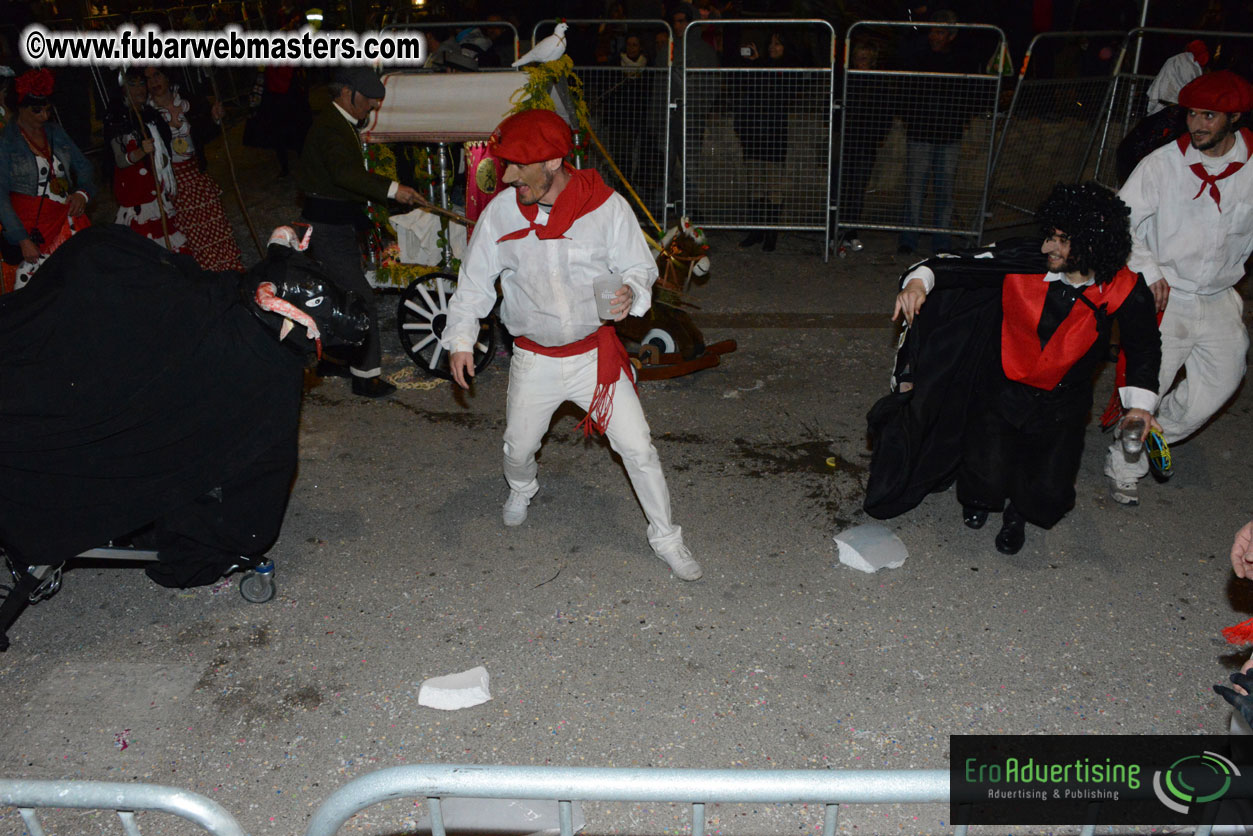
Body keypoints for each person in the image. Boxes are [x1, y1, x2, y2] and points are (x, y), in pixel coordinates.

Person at [442, 108, 701, 582]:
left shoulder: (606, 208)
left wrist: (632, 293)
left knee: (639, 449)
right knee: (518, 449)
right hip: (534, 360)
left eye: (520, 164)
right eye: (507, 163)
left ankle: (667, 537)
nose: (509, 174)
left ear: (556, 160)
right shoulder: (502, 211)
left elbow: (639, 268)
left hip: (593, 357)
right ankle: (522, 487)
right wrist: (461, 339)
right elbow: (474, 283)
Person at [868, 182, 1161, 554]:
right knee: (986, 463)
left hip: (1064, 398)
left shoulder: (1125, 288)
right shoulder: (1024, 259)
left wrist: (1140, 405)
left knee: (1049, 485)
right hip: (1003, 383)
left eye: (1061, 240)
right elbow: (952, 264)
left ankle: (1017, 515)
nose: (1046, 247)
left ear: (1092, 244)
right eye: (1048, 236)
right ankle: (977, 500)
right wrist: (916, 284)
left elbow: (1144, 347)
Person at [1104, 70, 1253, 507]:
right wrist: (1148, 269)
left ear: (1235, 118)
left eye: (1209, 116)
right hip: (1167, 294)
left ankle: (1150, 428)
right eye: (1191, 114)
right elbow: (1120, 222)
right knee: (1150, 382)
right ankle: (1125, 463)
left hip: (1221, 295)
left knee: (1223, 382)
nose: (1196, 124)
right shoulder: (1161, 164)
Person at [297, 67, 421, 398]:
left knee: (335, 294)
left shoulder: (338, 123)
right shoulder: (332, 128)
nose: (372, 107)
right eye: (368, 100)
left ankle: (335, 356)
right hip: (327, 226)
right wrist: (395, 190)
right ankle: (366, 376)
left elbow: (342, 181)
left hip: (332, 221)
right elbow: (345, 175)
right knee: (359, 297)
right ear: (347, 93)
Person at [0, 68, 94, 294]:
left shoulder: (55, 132)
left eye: (47, 110)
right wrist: (21, 239)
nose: (43, 116)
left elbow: (84, 166)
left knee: (83, 283)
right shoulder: (6, 143)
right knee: (42, 294)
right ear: (21, 108)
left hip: (68, 222)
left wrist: (82, 193)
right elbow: (0, 196)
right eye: (36, 110)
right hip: (36, 232)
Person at [895, 10, 981, 256]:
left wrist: (962, 119)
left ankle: (941, 240)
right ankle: (908, 238)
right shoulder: (917, 56)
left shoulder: (960, 60)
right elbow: (905, 88)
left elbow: (969, 94)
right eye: (932, 30)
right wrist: (909, 117)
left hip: (949, 134)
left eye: (940, 31)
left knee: (944, 189)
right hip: (921, 132)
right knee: (915, 188)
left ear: (951, 36)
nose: (934, 36)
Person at [144, 66, 244, 273]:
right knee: (189, 235)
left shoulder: (188, 102)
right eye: (148, 79)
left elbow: (203, 136)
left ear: (167, 75)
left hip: (196, 176)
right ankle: (205, 279)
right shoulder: (146, 115)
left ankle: (228, 273)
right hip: (172, 184)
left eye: (157, 75)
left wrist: (215, 118)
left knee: (215, 227)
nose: (154, 82)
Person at [105, 69, 189, 254]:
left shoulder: (151, 116)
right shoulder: (118, 120)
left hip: (156, 189)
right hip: (137, 194)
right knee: (146, 246)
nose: (139, 89)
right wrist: (141, 151)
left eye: (141, 84)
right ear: (123, 89)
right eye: (132, 85)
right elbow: (120, 160)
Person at [734, 31, 790, 252]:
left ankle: (771, 234)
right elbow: (746, 89)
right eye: (771, 44)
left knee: (773, 187)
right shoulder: (760, 65)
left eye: (778, 44)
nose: (773, 48)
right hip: (754, 133)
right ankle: (756, 230)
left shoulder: (788, 67)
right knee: (756, 186)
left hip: (774, 135)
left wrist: (758, 63)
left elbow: (777, 90)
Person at [837, 37, 892, 254]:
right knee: (841, 187)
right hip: (845, 140)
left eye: (866, 56)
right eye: (859, 55)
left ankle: (851, 231)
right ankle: (836, 230)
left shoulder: (877, 81)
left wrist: (878, 135)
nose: (862, 59)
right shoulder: (845, 78)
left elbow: (884, 112)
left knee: (857, 189)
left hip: (865, 142)